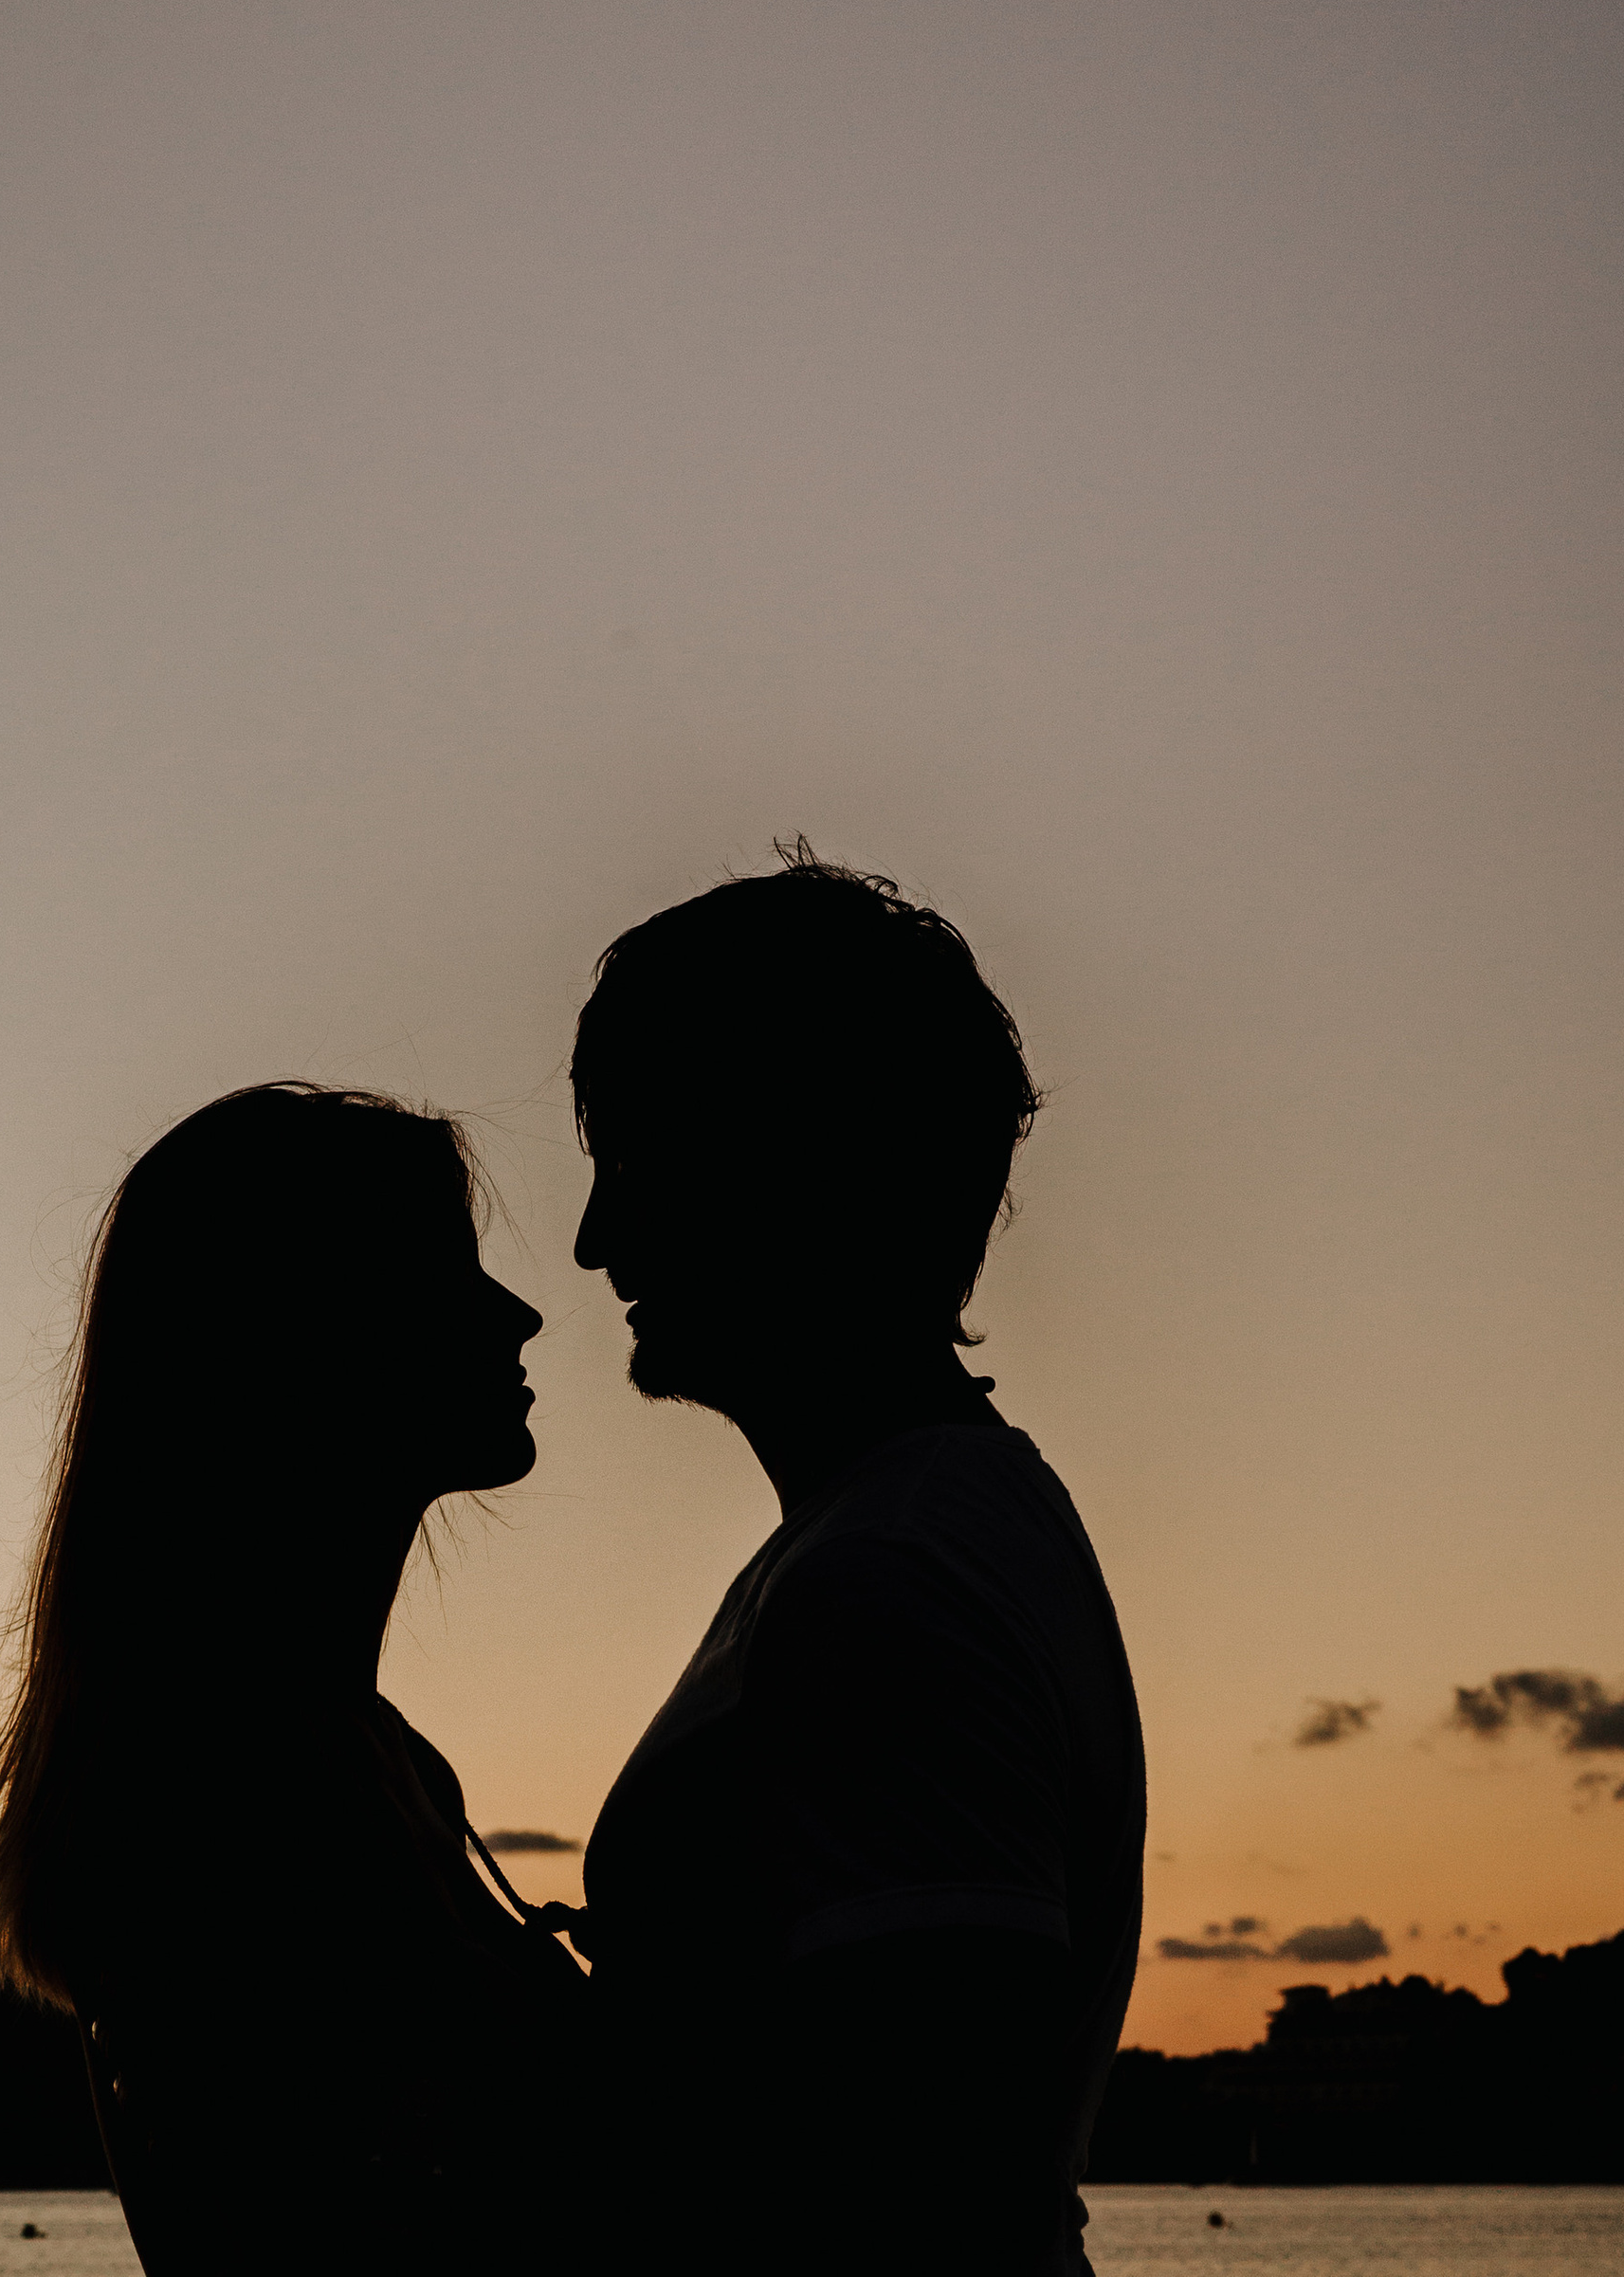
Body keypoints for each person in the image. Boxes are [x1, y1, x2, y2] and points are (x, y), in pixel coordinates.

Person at [573, 843, 1145, 2277]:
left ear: (793, 1165)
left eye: (634, 1162)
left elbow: (927, 2188)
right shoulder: (925, 1526)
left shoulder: (879, 1585)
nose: (594, 1241)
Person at [0, 1083, 587, 2274]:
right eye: (449, 1273)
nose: (518, 1315)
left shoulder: (352, 1753)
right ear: (307, 1335)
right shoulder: (233, 1782)